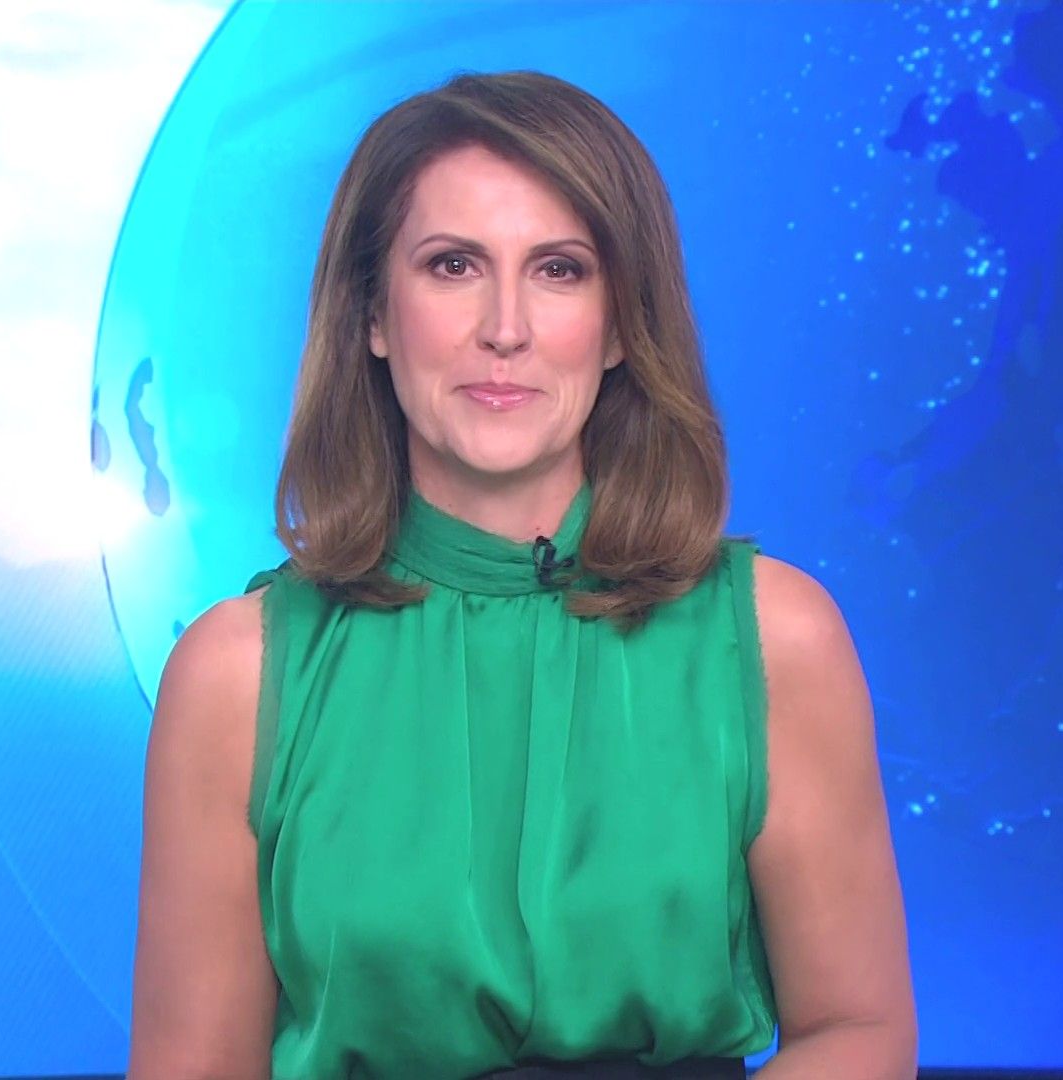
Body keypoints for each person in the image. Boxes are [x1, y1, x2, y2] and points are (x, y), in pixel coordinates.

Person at [128, 70, 916, 1080]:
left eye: (560, 270)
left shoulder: (774, 639)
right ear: (373, 316)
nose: (506, 328)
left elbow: (859, 1032)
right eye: (453, 265)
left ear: (622, 324)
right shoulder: (235, 676)